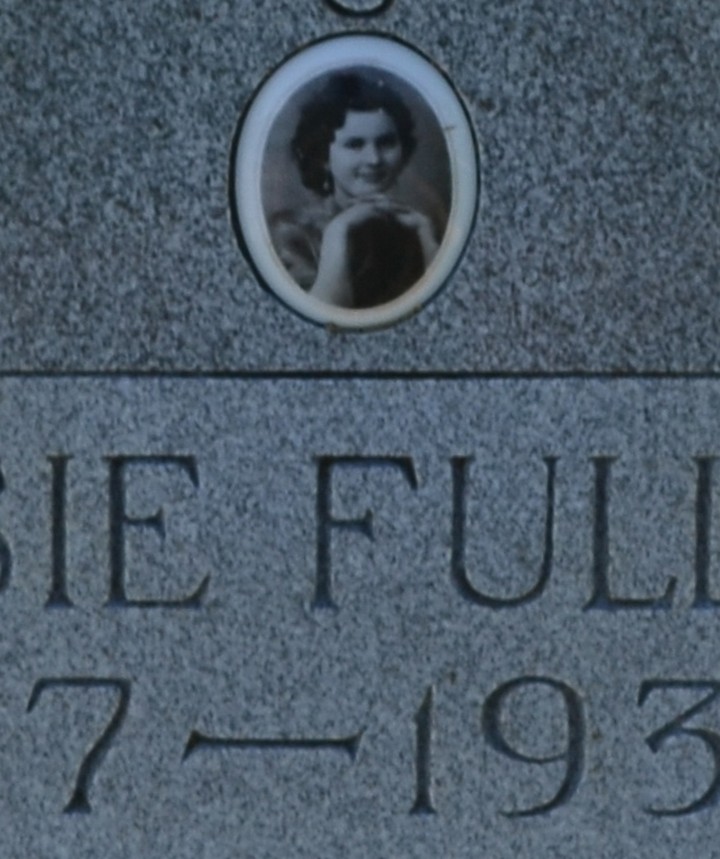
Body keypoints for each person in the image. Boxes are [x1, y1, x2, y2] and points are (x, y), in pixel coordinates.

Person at [269, 71, 444, 309]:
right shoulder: (291, 233)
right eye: (355, 145)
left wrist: (427, 239)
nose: (374, 159)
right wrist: (338, 231)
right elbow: (321, 320)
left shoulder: (418, 227)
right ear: (322, 155)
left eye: (386, 143)